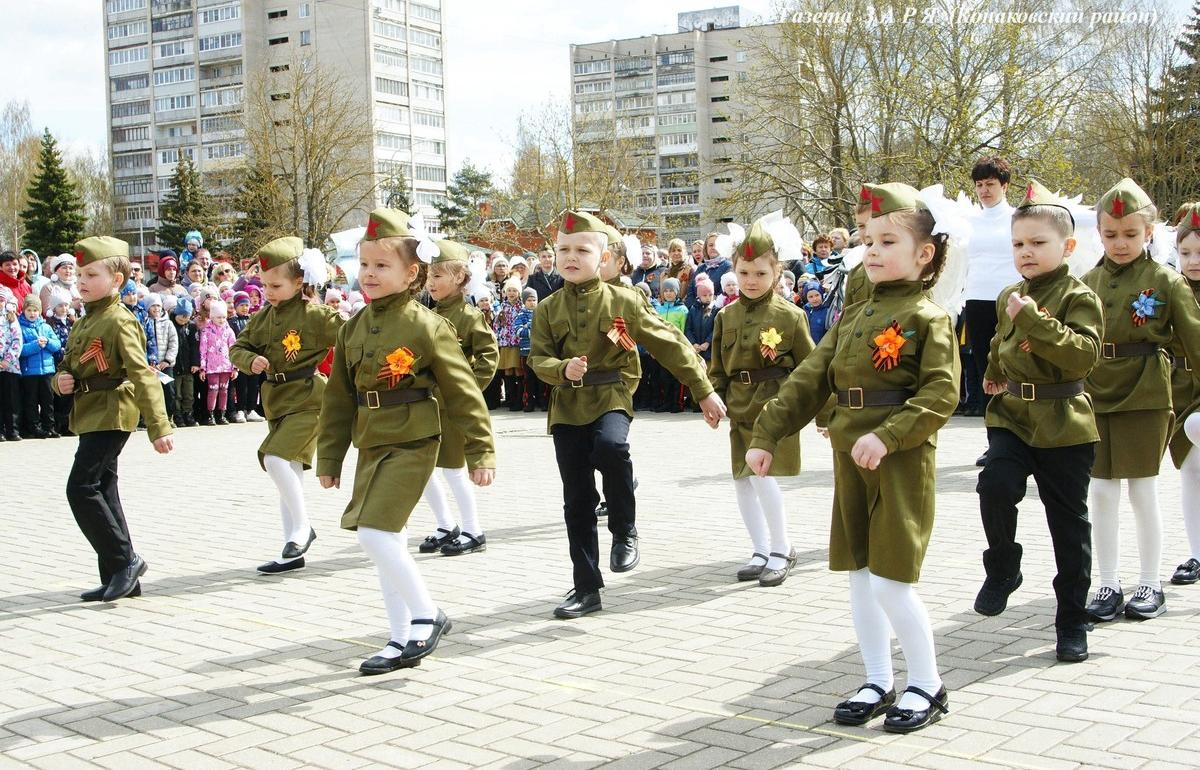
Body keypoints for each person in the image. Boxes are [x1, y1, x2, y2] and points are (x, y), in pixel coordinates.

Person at [748, 182, 961, 733]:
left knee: (892, 579)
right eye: (868, 239)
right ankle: (877, 677)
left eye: (887, 241)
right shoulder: (855, 316)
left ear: (924, 254)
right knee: (861, 575)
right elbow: (809, 378)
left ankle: (927, 683)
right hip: (850, 456)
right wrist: (767, 433)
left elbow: (940, 393)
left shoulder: (927, 318)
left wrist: (889, 436)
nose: (872, 250)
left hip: (899, 460)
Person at [318, 208, 495, 675]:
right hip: (372, 442)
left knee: (374, 533)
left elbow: (463, 393)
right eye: (364, 265)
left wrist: (480, 451)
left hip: (415, 439)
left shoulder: (427, 326)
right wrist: (329, 458)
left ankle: (427, 614)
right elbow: (338, 400)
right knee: (387, 540)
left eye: (382, 265)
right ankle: (399, 638)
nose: (369, 274)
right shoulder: (352, 327)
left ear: (411, 272)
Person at [528, 210, 726, 620]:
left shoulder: (624, 299)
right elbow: (538, 357)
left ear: (602, 257)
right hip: (567, 404)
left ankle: (624, 529)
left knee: (612, 446)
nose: (570, 256)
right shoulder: (547, 307)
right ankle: (586, 587)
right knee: (576, 499)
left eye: (582, 249)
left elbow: (669, 341)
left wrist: (703, 390)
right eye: (563, 249)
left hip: (612, 393)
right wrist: (560, 369)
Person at [973, 180, 1104, 662]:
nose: (1025, 253)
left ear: (1067, 246)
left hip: (1064, 421)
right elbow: (998, 343)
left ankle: (1072, 619)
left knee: (1069, 528)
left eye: (1037, 243)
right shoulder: (1011, 292)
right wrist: (992, 372)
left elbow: (1083, 357)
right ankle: (1004, 566)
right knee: (994, 485)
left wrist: (1033, 321)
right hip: (1012, 414)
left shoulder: (1079, 295)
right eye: (1018, 244)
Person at [1081, 179, 1200, 622]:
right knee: (1102, 491)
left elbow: (1195, 342)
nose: (1120, 243)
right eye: (1111, 234)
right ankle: (1107, 582)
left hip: (1146, 392)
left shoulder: (1166, 280)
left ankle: (1150, 582)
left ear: (1149, 232)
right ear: (1098, 232)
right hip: (1096, 392)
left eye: (1131, 234)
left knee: (1142, 491)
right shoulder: (1087, 281)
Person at [53, 235, 174, 602]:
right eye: (80, 275)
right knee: (104, 489)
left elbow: (142, 374)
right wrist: (59, 382)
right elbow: (67, 366)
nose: (82, 281)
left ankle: (125, 560)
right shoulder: (85, 321)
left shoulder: (119, 321)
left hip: (113, 412)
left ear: (117, 280)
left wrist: (159, 426)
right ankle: (119, 575)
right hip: (90, 412)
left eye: (92, 274)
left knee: (81, 487)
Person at [709, 215, 814, 586]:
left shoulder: (790, 315)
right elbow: (718, 366)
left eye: (760, 274)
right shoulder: (726, 315)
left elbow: (812, 368)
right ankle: (760, 547)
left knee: (762, 476)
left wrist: (826, 416)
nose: (751, 281)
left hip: (774, 404)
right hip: (739, 405)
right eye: (745, 273)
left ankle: (782, 548)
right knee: (742, 479)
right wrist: (713, 397)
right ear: (734, 270)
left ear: (776, 272)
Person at [229, 237, 344, 574]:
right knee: (288, 472)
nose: (269, 291)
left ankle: (303, 528)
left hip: (309, 398)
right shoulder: (263, 317)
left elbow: (354, 337)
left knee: (275, 459)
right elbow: (237, 348)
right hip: (276, 401)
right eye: (264, 285)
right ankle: (291, 550)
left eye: (276, 285)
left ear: (299, 282)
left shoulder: (318, 315)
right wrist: (250, 361)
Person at [419, 238, 499, 556]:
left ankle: (473, 529)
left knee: (453, 469)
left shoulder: (469, 316)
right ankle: (445, 524)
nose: (431, 282)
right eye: (428, 275)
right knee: (423, 466)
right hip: (426, 403)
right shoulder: (427, 314)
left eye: (438, 275)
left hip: (452, 405)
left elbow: (488, 355)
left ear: (459, 277)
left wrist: (467, 390)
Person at [962, 157, 1019, 439]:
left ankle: (1018, 435)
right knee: (985, 368)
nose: (984, 190)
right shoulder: (967, 220)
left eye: (991, 184)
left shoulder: (1018, 217)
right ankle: (994, 438)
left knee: (1012, 365)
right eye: (979, 185)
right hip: (975, 300)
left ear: (1005, 186)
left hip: (1011, 300)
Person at [1169, 205, 1200, 585]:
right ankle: (1196, 554)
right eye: (1186, 252)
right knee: (1191, 471)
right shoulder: (1168, 287)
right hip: (1179, 390)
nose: (1194, 261)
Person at [18, 295, 61, 438]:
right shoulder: (20, 328)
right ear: (24, 311)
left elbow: (57, 345)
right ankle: (33, 427)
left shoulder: (46, 327)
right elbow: (21, 350)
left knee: (48, 400)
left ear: (40, 311)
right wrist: (36, 345)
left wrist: (47, 341)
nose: (32, 313)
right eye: (29, 310)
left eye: (35, 310)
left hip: (47, 370)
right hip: (30, 371)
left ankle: (49, 426)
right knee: (31, 401)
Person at [652, 277, 689, 412]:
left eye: (671, 290)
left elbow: (684, 330)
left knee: (676, 377)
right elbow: (655, 329)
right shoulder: (659, 310)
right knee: (664, 377)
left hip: (677, 348)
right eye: (665, 290)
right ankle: (666, 402)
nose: (668, 293)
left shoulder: (682, 310)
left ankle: (677, 403)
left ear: (677, 292)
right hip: (662, 348)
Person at [199, 300, 237, 426]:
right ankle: (210, 414)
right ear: (212, 317)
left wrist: (235, 367)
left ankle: (222, 414)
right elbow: (202, 350)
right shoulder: (206, 331)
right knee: (213, 390)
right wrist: (202, 368)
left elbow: (234, 349)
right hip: (212, 367)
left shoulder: (229, 330)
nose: (221, 320)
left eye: (224, 317)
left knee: (224, 390)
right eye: (218, 317)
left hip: (226, 366)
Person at [144, 294, 178, 427]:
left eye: (158, 305)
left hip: (165, 365)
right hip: (150, 365)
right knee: (151, 393)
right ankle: (153, 419)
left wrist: (167, 361)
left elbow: (174, 343)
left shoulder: (168, 323)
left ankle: (169, 416)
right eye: (153, 305)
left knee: (169, 391)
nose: (156, 308)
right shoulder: (144, 322)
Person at [493, 277, 524, 411]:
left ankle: (519, 398)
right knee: (507, 370)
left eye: (514, 290)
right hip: (505, 343)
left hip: (517, 343)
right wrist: (497, 338)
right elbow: (496, 325)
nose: (511, 293)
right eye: (509, 290)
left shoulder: (522, 308)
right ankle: (510, 398)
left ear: (519, 293)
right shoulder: (502, 308)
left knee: (518, 369)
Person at [171, 297, 199, 427]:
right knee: (177, 393)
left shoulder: (192, 327)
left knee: (189, 393)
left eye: (186, 317)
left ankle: (188, 413)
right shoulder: (171, 325)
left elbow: (195, 346)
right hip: (175, 365)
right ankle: (178, 415)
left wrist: (195, 363)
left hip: (188, 366)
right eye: (181, 316)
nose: (183, 320)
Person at [516, 287, 539, 412]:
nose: (532, 302)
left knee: (541, 378)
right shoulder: (521, 314)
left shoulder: (541, 312)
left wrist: (529, 327)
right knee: (528, 378)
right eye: (529, 300)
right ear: (524, 301)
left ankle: (542, 401)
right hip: (525, 351)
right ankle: (528, 402)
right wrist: (532, 328)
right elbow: (519, 331)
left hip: (539, 351)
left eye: (534, 299)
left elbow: (544, 330)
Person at [40, 254, 80, 318]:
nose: (68, 271)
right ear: (56, 270)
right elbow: (47, 313)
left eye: (70, 268)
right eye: (64, 268)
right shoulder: (48, 287)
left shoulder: (78, 286)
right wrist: (71, 305)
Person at [663, 238, 694, 302]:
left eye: (679, 250)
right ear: (669, 253)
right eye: (673, 251)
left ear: (684, 252)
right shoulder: (664, 273)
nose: (676, 253)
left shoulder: (689, 270)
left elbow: (692, 293)